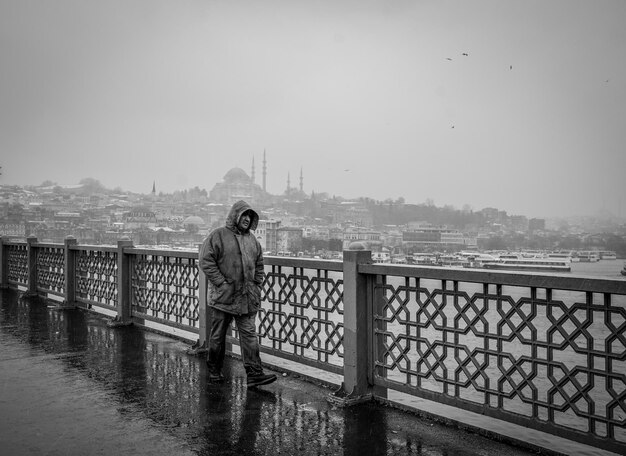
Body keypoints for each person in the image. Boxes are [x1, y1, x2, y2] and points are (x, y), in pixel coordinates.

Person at [199, 200, 277, 387]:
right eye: (244, 215)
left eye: (250, 216)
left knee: (249, 335)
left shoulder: (252, 241)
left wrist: (257, 285)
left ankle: (254, 374)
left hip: (246, 298)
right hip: (224, 297)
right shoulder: (218, 235)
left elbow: (259, 265)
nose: (247, 219)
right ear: (236, 216)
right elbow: (205, 260)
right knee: (218, 336)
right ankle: (214, 370)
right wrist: (221, 283)